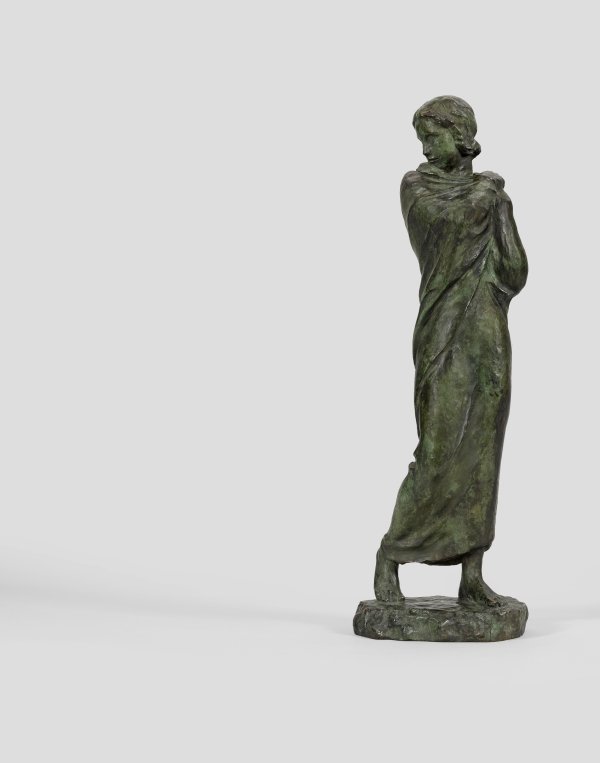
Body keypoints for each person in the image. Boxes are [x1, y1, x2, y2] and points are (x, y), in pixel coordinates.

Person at [374, 95, 528, 606]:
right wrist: (487, 198)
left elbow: (516, 272)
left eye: (431, 136)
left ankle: (472, 574)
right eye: (421, 138)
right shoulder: (416, 188)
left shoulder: (492, 195)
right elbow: (443, 227)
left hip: (487, 331)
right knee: (437, 448)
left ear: (461, 135)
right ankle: (391, 556)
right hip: (442, 328)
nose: (424, 148)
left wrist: (502, 209)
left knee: (483, 450)